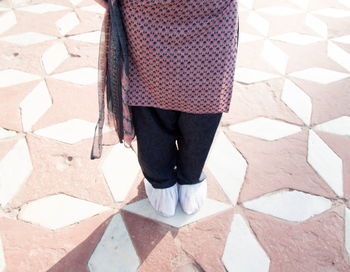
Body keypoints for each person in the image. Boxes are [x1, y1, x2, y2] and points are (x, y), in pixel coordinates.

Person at [92, 0, 240, 217]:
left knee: (167, 102)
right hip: (176, 14)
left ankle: (171, 179)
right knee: (188, 99)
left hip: (159, 14)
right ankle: (177, 179)